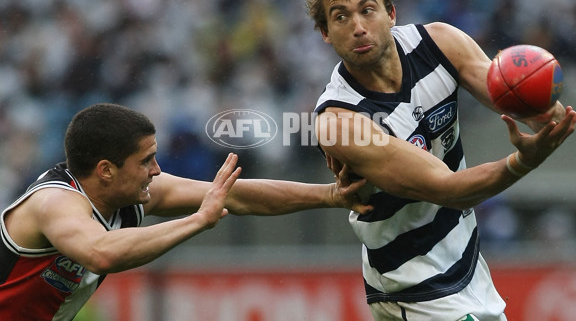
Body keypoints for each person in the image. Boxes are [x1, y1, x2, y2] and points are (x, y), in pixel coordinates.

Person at [305, 0, 576, 321]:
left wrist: (544, 107)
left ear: (390, 13)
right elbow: (449, 188)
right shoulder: (339, 121)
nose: (358, 27)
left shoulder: (439, 43)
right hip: (413, 283)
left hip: (465, 262)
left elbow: (517, 99)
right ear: (325, 33)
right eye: (340, 17)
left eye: (367, 10)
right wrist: (522, 161)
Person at [0, 103, 372, 321]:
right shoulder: (55, 203)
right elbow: (101, 252)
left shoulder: (134, 194)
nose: (157, 170)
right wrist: (197, 221)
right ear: (106, 170)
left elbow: (234, 196)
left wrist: (329, 195)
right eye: (146, 160)